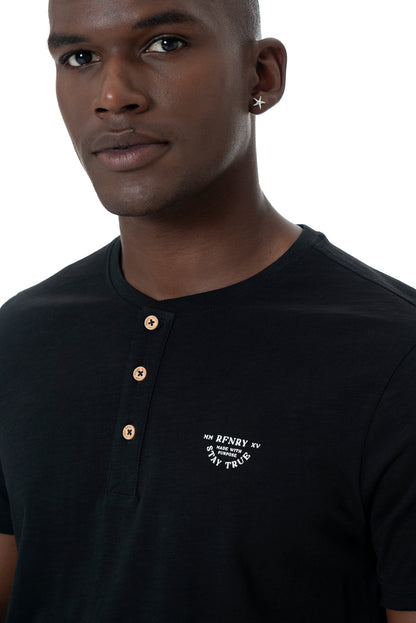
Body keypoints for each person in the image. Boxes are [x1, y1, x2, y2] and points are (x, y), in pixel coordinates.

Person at [0, 0, 415, 621]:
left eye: (165, 44)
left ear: (262, 74)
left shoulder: (394, 358)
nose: (113, 96)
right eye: (80, 57)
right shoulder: (19, 336)